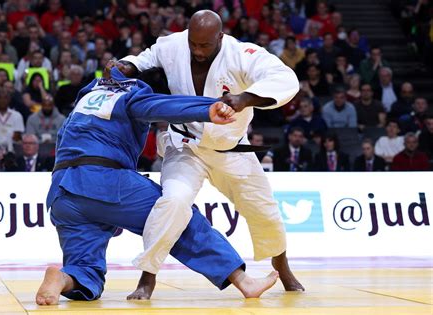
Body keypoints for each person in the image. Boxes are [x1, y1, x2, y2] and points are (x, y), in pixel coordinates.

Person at [36, 65, 278, 305]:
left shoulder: (84, 100)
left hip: (61, 191)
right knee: (177, 215)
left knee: (85, 269)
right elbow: (160, 106)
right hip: (103, 180)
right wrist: (208, 108)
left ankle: (62, 279)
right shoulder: (130, 95)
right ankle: (244, 280)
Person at [119, 10, 304, 297]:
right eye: (193, 43)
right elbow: (142, 59)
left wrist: (245, 99)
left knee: (264, 211)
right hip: (186, 147)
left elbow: (285, 79)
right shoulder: (172, 45)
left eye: (205, 45)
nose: (197, 50)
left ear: (220, 36)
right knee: (173, 201)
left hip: (232, 150)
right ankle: (148, 276)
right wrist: (124, 65)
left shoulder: (243, 54)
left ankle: (282, 265)